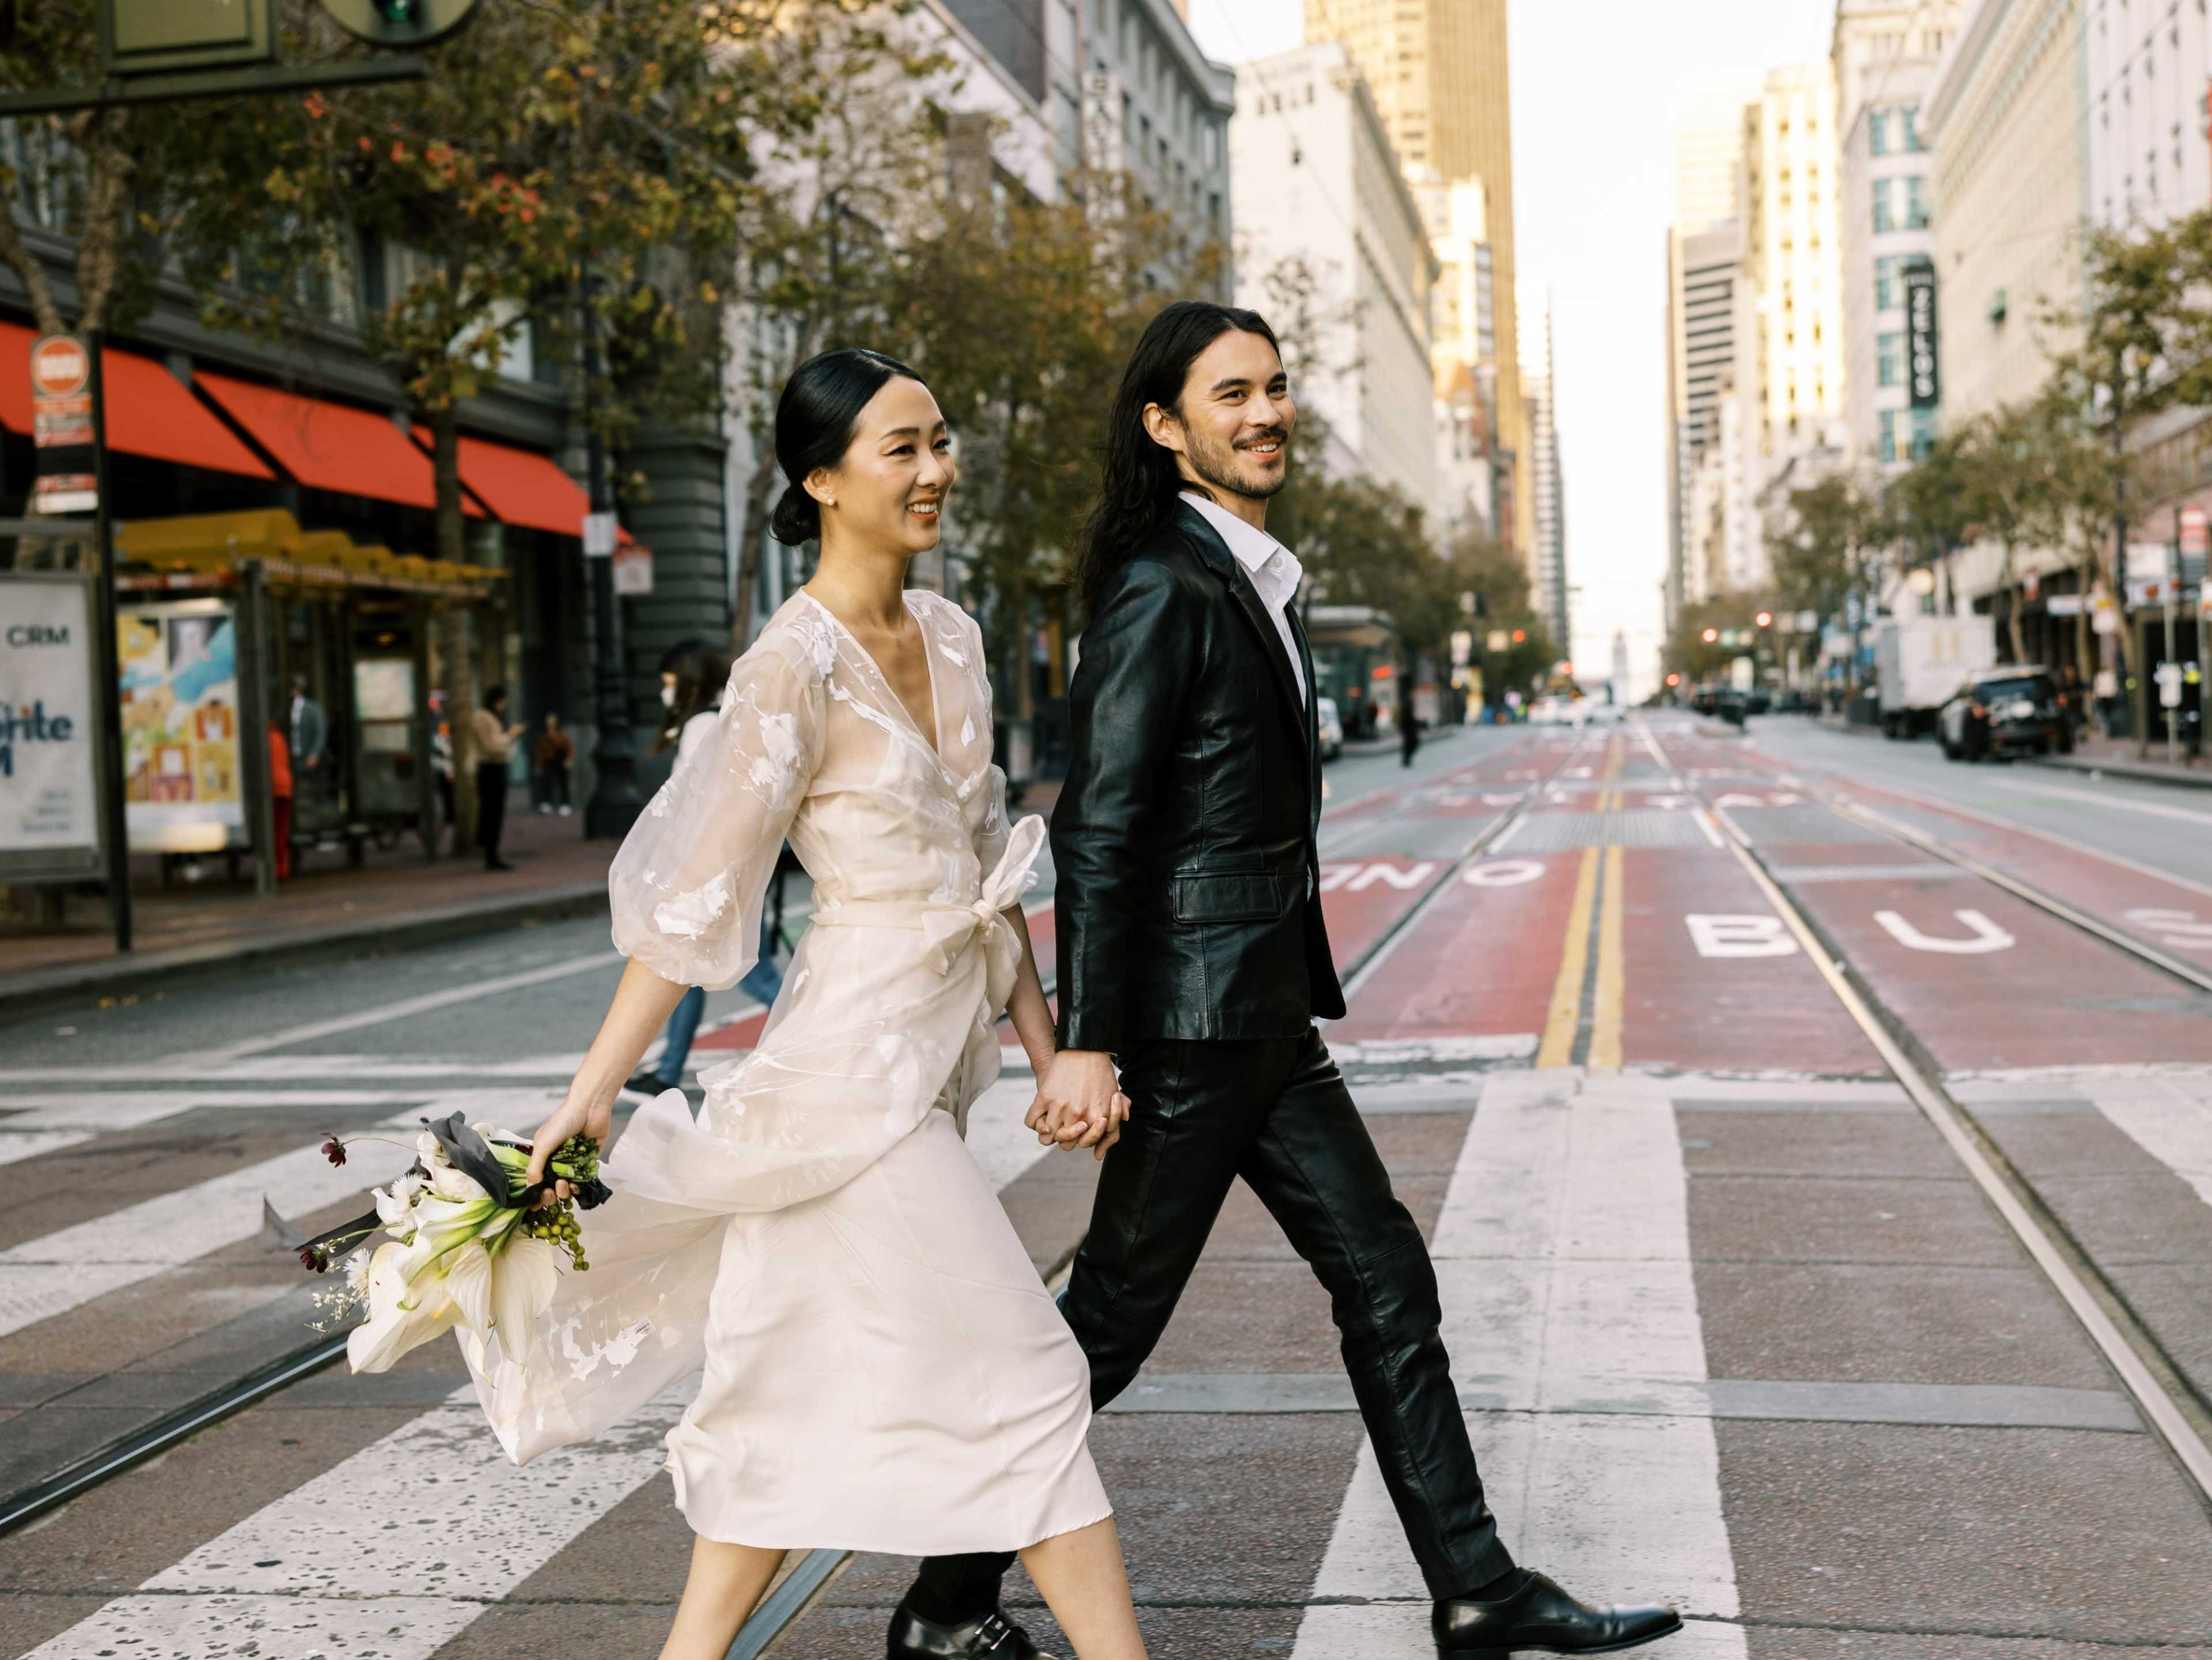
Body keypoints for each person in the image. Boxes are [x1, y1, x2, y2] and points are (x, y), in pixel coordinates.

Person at [902, 302, 1681, 1660]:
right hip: (1199, 1026)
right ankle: (947, 1597)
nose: (1266, 413)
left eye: (1274, 387)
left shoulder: (1239, 573)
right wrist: (1085, 1041)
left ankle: (1477, 1585)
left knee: (1383, 1275)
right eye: (1230, 395)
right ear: (1165, 425)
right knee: (1107, 1324)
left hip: (1251, 1012)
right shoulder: (1163, 583)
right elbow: (1101, 821)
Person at [498, 348, 1146, 1660]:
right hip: (846, 1083)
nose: (935, 469)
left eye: (940, 439)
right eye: (901, 447)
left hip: (930, 1066)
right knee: (1029, 1375)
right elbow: (691, 913)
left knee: (785, 1390)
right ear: (821, 479)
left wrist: (1048, 1051)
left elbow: (986, 873)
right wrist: (589, 1094)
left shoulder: (955, 636)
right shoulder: (788, 668)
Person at [622, 641, 788, 1101]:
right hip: (719, 865)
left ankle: (824, 1052)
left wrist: (688, 872)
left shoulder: (700, 725)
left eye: (670, 682)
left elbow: (702, 803)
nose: (665, 691)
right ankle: (668, 1068)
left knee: (758, 978)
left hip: (708, 869)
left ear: (690, 681)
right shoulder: (723, 718)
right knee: (682, 969)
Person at [470, 686, 525, 871]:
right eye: (502, 701)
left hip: (495, 768)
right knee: (492, 811)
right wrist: (511, 735)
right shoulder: (483, 717)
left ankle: (491, 852)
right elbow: (491, 745)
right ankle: (490, 854)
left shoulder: (489, 717)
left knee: (494, 812)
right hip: (490, 768)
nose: (504, 705)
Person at [267, 718, 293, 882]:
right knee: (282, 827)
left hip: (272, 786)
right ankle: (282, 865)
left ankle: (277, 866)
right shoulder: (279, 738)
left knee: (274, 829)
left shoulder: (264, 740)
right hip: (285, 785)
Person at [535, 712, 575, 815]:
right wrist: (538, 765)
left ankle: (565, 804)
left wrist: (569, 759)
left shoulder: (562, 735)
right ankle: (547, 803)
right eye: (549, 720)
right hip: (548, 761)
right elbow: (539, 752)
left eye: (552, 720)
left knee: (563, 783)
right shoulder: (543, 736)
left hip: (560, 760)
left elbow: (569, 748)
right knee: (547, 782)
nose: (550, 722)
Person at [1399, 686, 1422, 767]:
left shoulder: (1409, 705)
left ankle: (1407, 758)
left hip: (1409, 729)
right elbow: (1407, 719)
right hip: (1408, 729)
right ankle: (1406, 759)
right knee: (1411, 743)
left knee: (1411, 743)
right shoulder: (1407, 706)